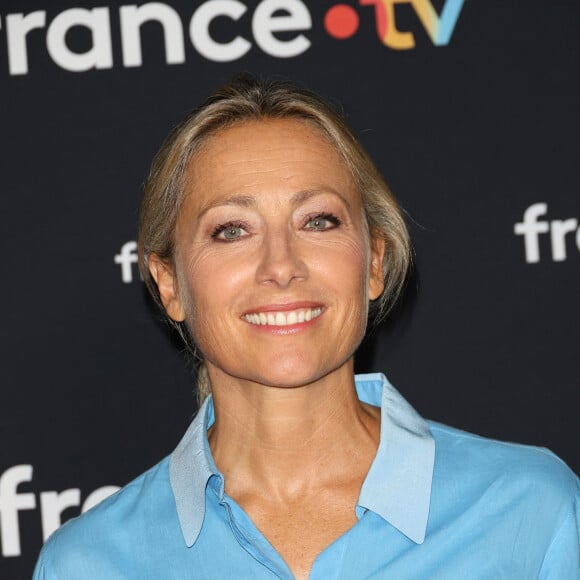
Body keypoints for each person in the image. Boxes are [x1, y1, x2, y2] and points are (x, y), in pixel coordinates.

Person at [34, 75, 579, 579]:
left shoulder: (532, 512)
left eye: (318, 220)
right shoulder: (88, 564)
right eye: (231, 230)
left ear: (373, 264)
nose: (281, 265)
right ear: (170, 283)